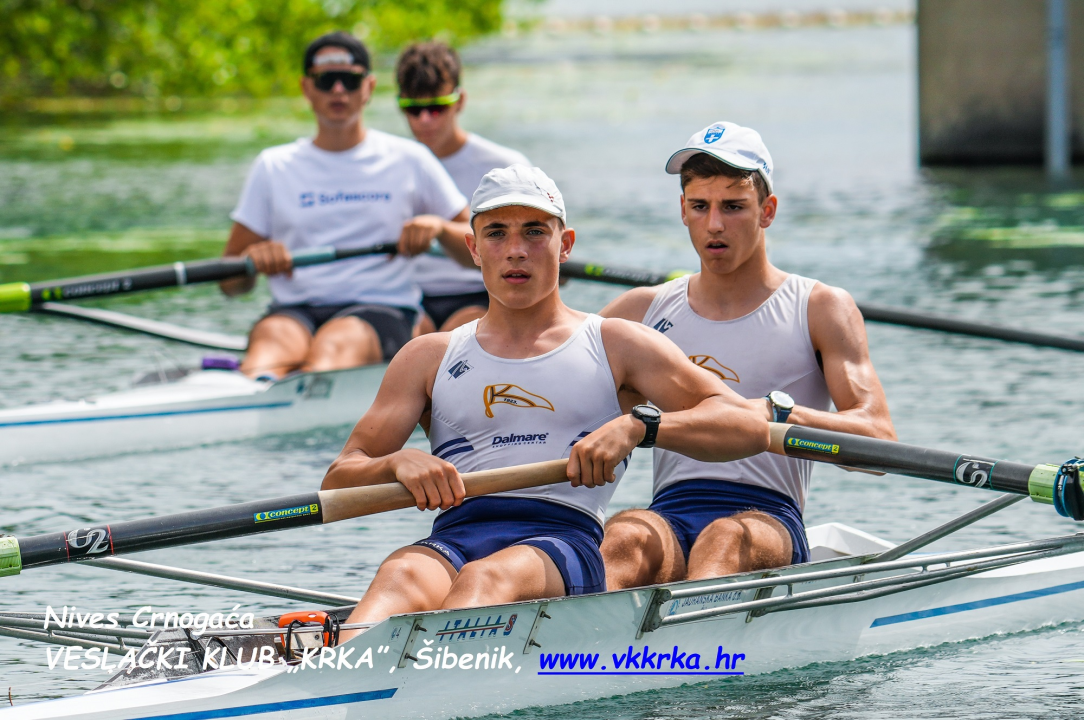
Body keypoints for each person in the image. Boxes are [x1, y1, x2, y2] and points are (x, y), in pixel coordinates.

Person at [321, 166, 769, 639]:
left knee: (485, 579)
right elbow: (339, 479)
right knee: (399, 576)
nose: (516, 250)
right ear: (473, 248)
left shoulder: (616, 343)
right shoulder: (428, 356)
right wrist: (397, 463)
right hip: (454, 537)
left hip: (563, 543)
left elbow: (743, 423)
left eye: (535, 232)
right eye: (497, 233)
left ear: (566, 243)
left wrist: (641, 428)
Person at [599, 121, 897, 588]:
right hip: (671, 510)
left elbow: (880, 441)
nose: (714, 224)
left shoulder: (819, 307)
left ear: (767, 210)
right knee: (622, 537)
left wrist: (774, 416)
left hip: (768, 517)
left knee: (723, 539)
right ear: (682, 210)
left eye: (733, 207)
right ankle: (575, 656)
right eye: (700, 206)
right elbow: (556, 403)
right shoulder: (641, 311)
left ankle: (697, 655)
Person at [220, 32, 474, 379]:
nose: (338, 91)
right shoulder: (273, 166)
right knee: (267, 350)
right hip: (293, 311)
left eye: (350, 81)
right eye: (326, 81)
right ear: (307, 88)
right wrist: (251, 262)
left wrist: (441, 229)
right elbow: (229, 282)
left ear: (368, 87)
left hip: (382, 309)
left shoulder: (410, 158)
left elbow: (479, 248)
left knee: (333, 348)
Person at [395, 41, 531, 334]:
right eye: (413, 109)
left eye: (436, 107)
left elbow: (531, 247)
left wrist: (440, 228)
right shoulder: (389, 165)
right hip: (408, 297)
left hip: (483, 294)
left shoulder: (505, 165)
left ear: (460, 101)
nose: (424, 120)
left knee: (451, 337)